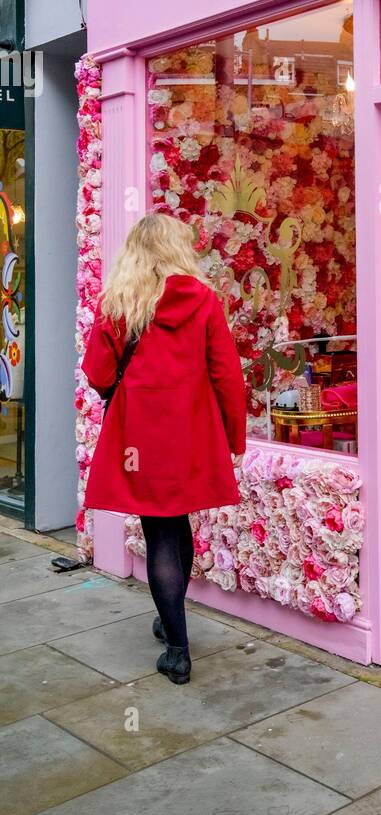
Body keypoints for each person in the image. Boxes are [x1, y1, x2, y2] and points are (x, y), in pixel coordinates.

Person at [82, 213, 247, 685]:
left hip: (139, 436)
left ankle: (177, 647)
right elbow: (226, 376)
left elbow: (97, 374)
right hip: (191, 435)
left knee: (159, 533)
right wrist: (234, 438)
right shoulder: (204, 301)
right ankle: (171, 617)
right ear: (177, 250)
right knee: (180, 523)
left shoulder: (119, 301)